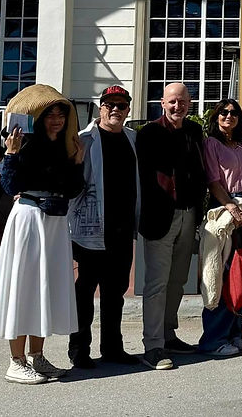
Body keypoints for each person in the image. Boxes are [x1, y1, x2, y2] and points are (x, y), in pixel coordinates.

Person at [0, 84, 85, 385]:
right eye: (50, 114)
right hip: (28, 218)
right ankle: (16, 360)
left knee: (46, 287)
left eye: (61, 114)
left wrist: (77, 163)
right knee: (24, 286)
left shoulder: (64, 148)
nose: (56, 120)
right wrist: (11, 155)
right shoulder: (25, 145)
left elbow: (73, 190)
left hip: (53, 222)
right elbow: (11, 187)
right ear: (40, 117)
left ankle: (37, 357)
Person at [67, 84, 140, 369]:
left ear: (128, 110)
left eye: (121, 106)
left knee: (116, 292)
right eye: (110, 105)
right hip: (91, 230)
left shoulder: (133, 139)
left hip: (122, 229)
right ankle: (79, 349)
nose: (115, 110)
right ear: (101, 107)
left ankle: (112, 347)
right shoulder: (85, 139)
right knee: (85, 291)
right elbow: (74, 184)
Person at [136, 82, 207, 371]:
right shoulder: (150, 133)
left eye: (183, 102)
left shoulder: (193, 131)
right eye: (172, 102)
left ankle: (168, 333)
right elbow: (145, 177)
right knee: (157, 283)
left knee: (178, 280)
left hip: (189, 214)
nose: (178, 107)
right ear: (162, 103)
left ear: (190, 104)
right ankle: (152, 345)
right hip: (160, 218)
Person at [198, 99, 242, 357]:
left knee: (240, 274)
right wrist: (232, 207)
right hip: (223, 209)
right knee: (219, 275)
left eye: (234, 112)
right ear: (216, 116)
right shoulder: (212, 144)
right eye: (224, 112)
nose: (229, 116)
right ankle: (214, 338)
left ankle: (235, 331)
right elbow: (212, 181)